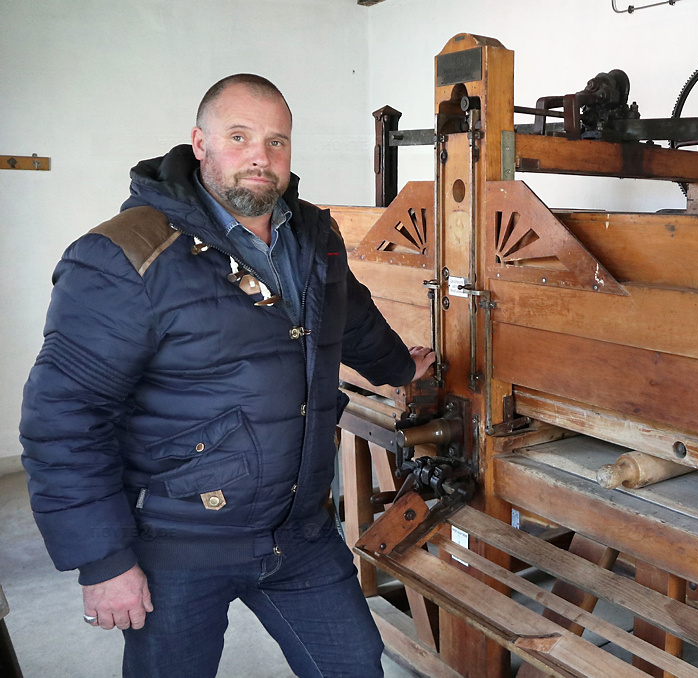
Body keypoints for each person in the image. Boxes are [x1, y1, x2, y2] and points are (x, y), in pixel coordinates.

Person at [19, 74, 434, 678]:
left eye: (276, 142)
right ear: (199, 143)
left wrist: (401, 369)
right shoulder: (123, 256)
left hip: (298, 530)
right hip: (178, 540)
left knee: (354, 668)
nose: (260, 158)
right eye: (238, 137)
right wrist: (104, 562)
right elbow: (63, 421)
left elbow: (352, 316)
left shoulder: (313, 233)